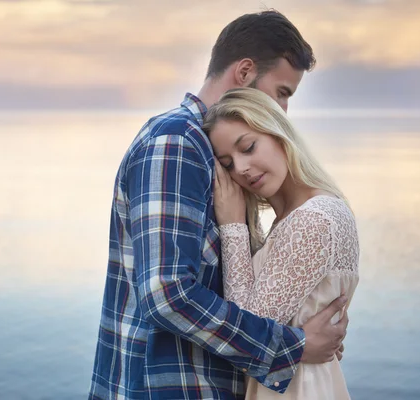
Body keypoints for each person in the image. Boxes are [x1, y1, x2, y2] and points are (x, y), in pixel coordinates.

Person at [89, 11, 348, 400]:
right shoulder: (176, 143)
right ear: (244, 72)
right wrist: (291, 347)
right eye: (281, 92)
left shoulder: (210, 149)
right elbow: (167, 293)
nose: (282, 111)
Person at [205, 87, 360, 399]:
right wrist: (303, 341)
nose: (242, 169)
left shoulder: (313, 219)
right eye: (228, 164)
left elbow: (246, 331)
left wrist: (233, 226)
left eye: (248, 147)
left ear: (278, 132)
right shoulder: (298, 217)